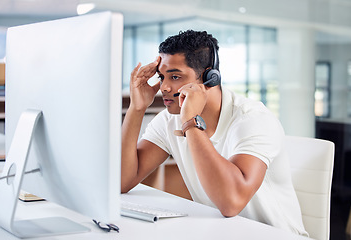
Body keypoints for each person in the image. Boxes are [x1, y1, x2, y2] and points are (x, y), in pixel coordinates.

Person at [121, 30, 308, 236]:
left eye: (175, 77)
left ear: (210, 77)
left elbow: (231, 202)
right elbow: (122, 181)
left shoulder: (253, 119)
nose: (164, 87)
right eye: (161, 77)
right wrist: (136, 109)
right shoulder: (168, 120)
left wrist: (191, 122)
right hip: (225, 232)